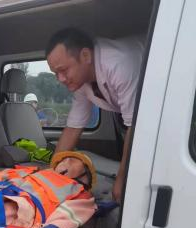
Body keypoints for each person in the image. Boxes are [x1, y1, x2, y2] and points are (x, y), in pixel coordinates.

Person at [46, 27, 144, 201]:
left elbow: (135, 127)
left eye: (64, 70)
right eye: (56, 74)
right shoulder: (81, 80)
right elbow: (73, 127)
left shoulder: (119, 65)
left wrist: (122, 179)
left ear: (85, 56)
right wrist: (49, 177)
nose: (60, 79)